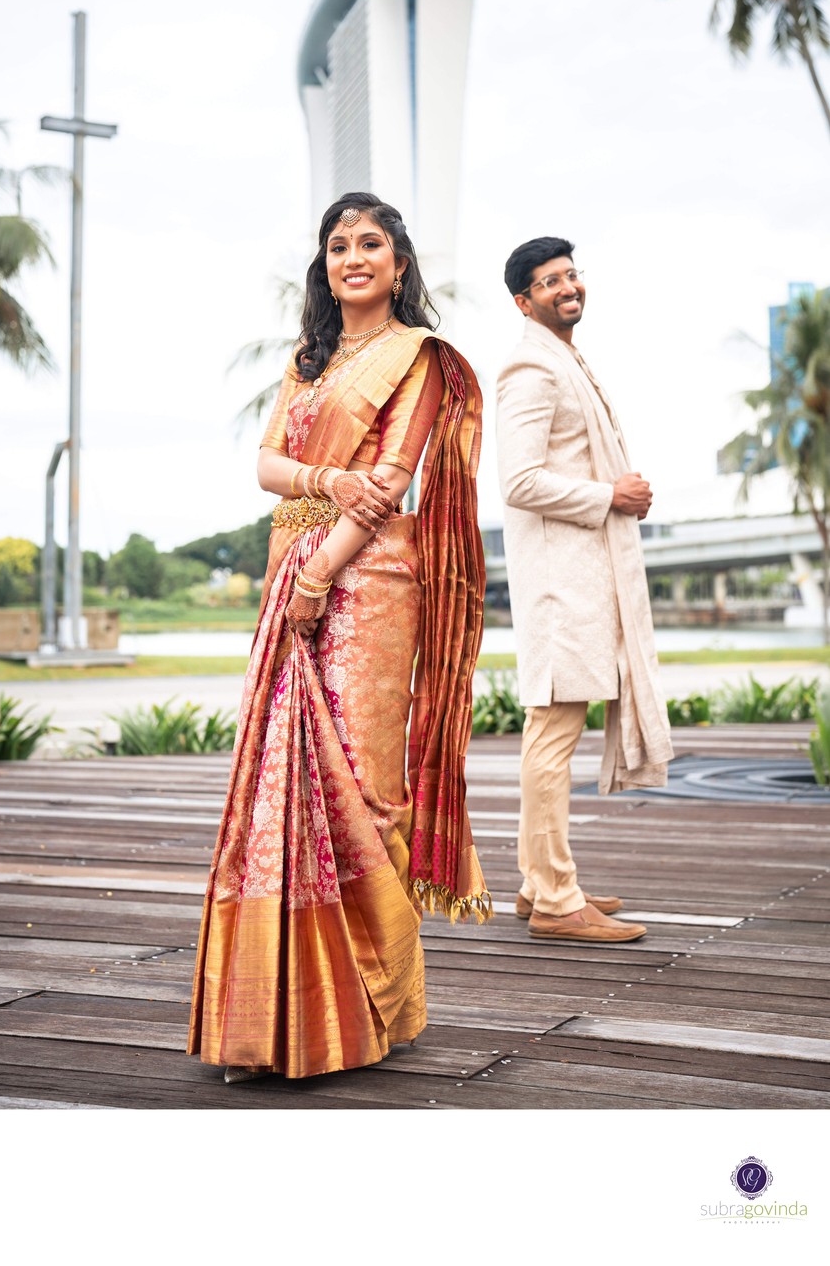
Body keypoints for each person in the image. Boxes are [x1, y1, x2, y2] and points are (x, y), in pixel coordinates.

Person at [187, 192, 490, 1081]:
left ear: (399, 264)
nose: (352, 256)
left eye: (370, 243)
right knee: (284, 776)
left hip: (368, 583)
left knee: (364, 781)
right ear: (324, 266)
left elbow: (391, 477)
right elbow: (266, 466)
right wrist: (322, 485)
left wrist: (323, 574)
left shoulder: (420, 358)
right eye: (336, 245)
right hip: (296, 568)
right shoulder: (308, 359)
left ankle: (371, 1004)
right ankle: (278, 1014)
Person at [496, 235, 672, 945]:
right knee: (552, 734)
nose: (567, 287)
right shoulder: (528, 368)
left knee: (550, 734)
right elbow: (518, 481)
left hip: (576, 580)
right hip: (558, 587)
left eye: (571, 274)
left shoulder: (560, 356)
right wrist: (610, 493)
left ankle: (540, 880)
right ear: (523, 300)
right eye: (549, 281)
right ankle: (557, 901)